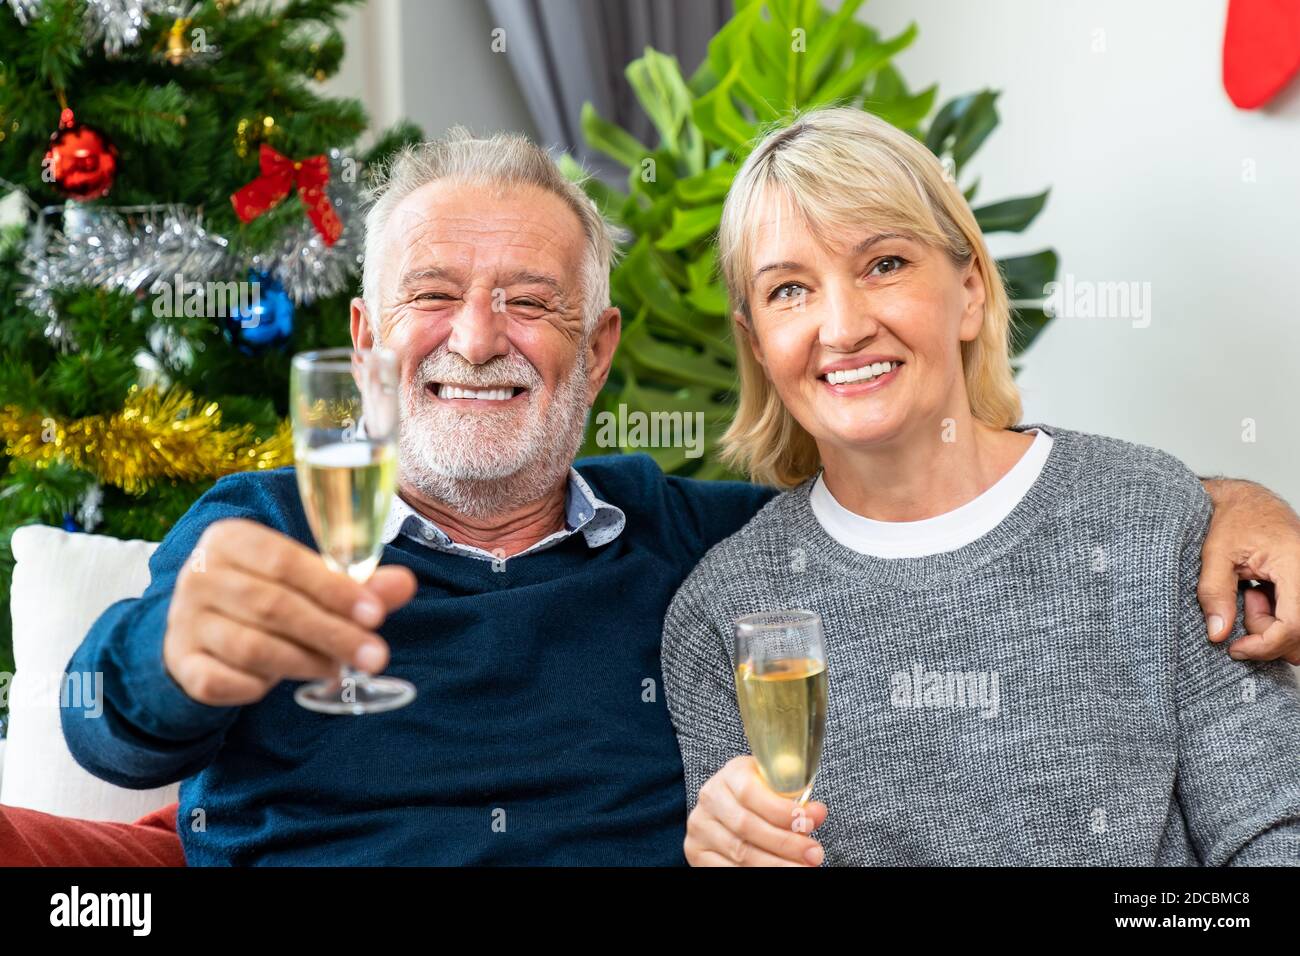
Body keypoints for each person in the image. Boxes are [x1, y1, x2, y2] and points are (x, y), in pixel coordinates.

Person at [7, 127, 1297, 866]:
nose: (475, 337)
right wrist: (168, 659)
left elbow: (936, 514)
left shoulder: (697, 553)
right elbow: (101, 730)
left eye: (528, 300)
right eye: (432, 295)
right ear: (365, 329)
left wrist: (1228, 501)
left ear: (601, 347)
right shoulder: (263, 527)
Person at [661, 107, 1300, 867]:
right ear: (759, 346)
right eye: (789, 290)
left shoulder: (1155, 519)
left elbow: (1275, 839)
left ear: (968, 291)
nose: (842, 326)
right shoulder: (723, 614)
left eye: (884, 264)